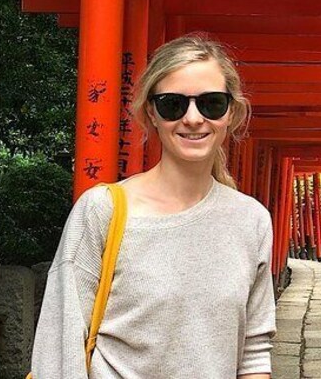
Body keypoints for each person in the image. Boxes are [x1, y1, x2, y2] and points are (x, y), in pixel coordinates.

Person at [33, 35, 275, 379]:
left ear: (231, 113)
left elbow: (253, 352)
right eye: (173, 105)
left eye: (212, 104)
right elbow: (60, 348)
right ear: (152, 112)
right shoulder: (103, 210)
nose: (193, 119)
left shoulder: (251, 220)